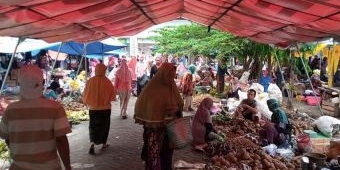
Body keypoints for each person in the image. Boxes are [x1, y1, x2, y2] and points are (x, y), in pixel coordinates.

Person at [0, 65, 72, 170]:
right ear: (42, 83)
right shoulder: (55, 108)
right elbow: (61, 140)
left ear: (20, 84)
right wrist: (68, 166)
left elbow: (6, 138)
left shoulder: (10, 110)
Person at [134, 63, 184, 170]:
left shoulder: (172, 86)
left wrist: (177, 108)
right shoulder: (151, 88)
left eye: (173, 74)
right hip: (154, 131)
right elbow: (141, 105)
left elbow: (180, 103)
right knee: (153, 157)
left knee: (167, 156)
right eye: (170, 74)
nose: (172, 77)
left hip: (170, 130)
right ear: (163, 73)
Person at [82, 63, 116, 155]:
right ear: (104, 70)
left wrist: (87, 103)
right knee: (104, 126)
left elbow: (85, 94)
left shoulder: (90, 81)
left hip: (93, 109)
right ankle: (104, 143)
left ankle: (92, 142)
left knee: (93, 126)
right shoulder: (107, 82)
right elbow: (113, 96)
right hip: (105, 108)